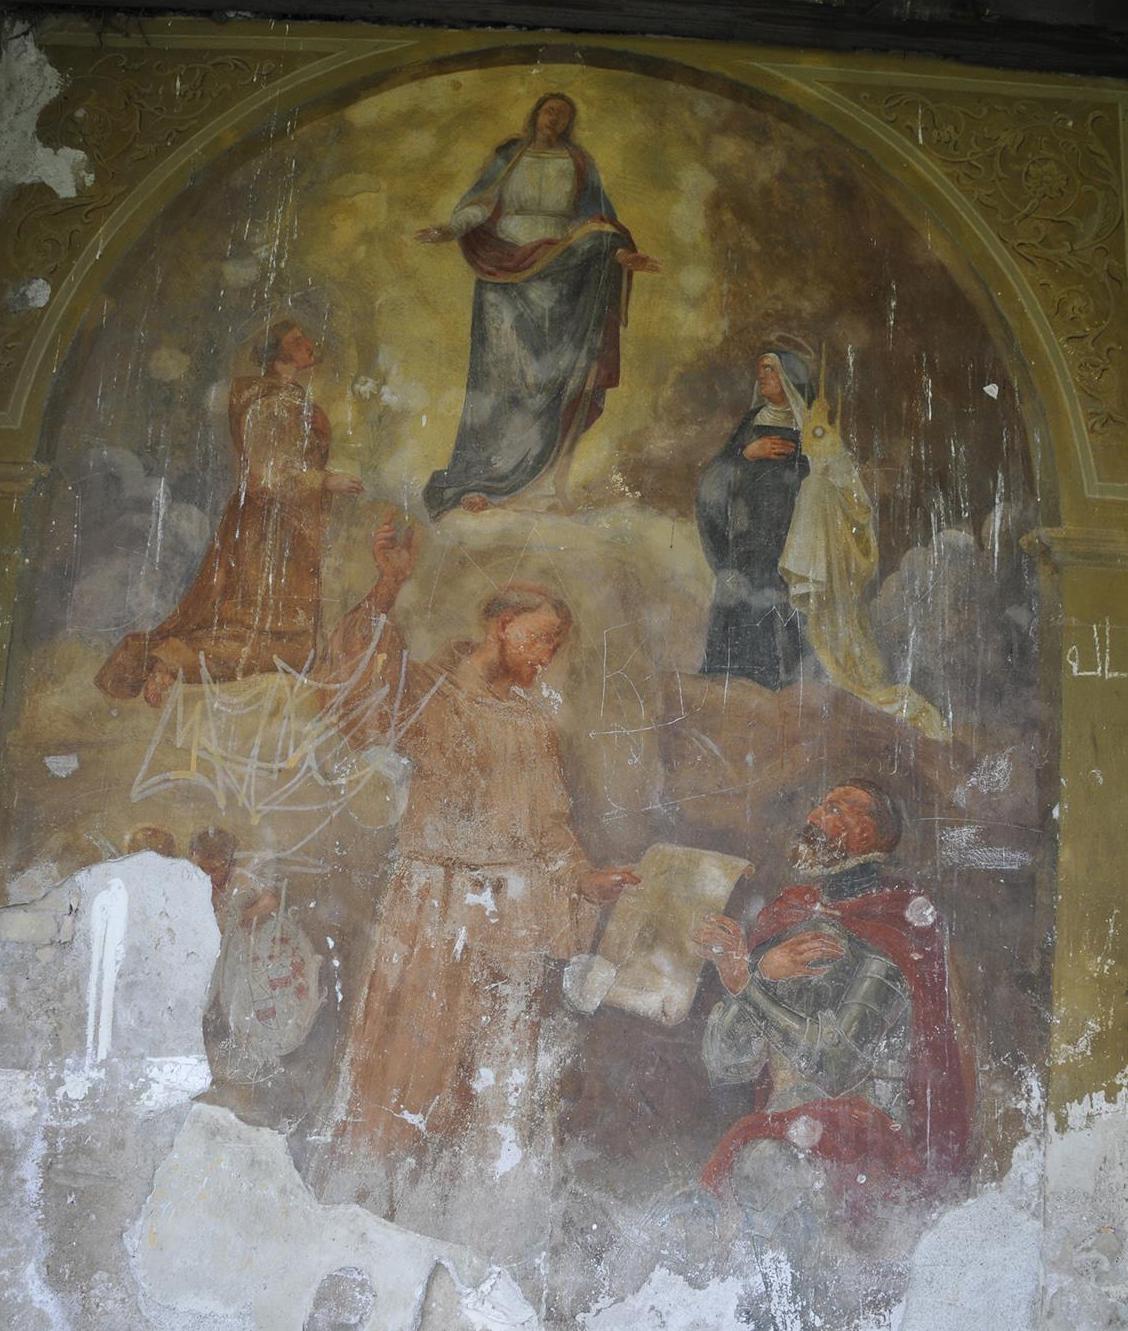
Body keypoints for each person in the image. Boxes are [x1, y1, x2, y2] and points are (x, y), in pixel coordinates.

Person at [314, 521, 638, 1213]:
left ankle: (469, 1215)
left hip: (510, 912)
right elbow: (352, 691)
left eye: (555, 645)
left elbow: (548, 825)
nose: (546, 655)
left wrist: (585, 878)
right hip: (434, 902)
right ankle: (376, 1204)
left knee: (497, 1064)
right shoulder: (429, 690)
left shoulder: (533, 723)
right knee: (409, 1058)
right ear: (501, 624)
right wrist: (388, 585)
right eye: (539, 637)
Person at [690, 780, 972, 1227]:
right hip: (784, 1130)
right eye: (819, 806)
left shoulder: (892, 931)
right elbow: (726, 1061)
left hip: (862, 1142)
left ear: (868, 833)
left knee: (763, 1172)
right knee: (726, 1197)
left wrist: (747, 983)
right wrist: (758, 972)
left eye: (835, 810)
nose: (813, 818)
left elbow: (836, 1066)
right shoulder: (788, 918)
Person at [95, 321, 363, 707]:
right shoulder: (266, 401)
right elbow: (264, 472)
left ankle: (174, 661)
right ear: (276, 352)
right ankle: (171, 660)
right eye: (295, 339)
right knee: (263, 633)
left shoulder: (291, 398)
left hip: (291, 531)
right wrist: (324, 480)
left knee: (292, 643)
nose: (308, 343)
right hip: (266, 534)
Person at [417, 93, 659, 519]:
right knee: (499, 379)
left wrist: (621, 255)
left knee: (553, 379)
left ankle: (537, 484)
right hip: (503, 275)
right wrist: (449, 230)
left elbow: (598, 221)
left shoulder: (578, 163)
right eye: (550, 111)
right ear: (536, 114)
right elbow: (481, 204)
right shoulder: (510, 155)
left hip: (562, 275)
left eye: (564, 116)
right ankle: (482, 477)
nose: (555, 120)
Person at [695, 349, 814, 689]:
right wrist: (747, 453)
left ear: (789, 378)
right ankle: (731, 672)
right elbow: (716, 476)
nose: (761, 375)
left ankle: (787, 678)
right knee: (743, 592)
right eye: (760, 369)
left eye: (770, 369)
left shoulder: (809, 424)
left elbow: (822, 470)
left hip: (791, 531)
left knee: (783, 596)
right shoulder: (753, 421)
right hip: (750, 533)